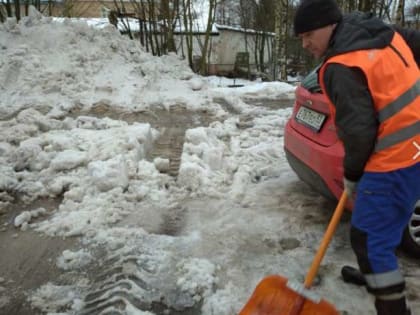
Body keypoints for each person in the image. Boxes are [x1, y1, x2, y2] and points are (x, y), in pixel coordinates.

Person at [293, 1, 420, 315]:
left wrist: (351, 173)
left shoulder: (341, 65)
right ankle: (377, 271)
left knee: (368, 241)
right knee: (382, 222)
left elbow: (358, 132)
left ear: (329, 25)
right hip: (413, 150)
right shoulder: (378, 31)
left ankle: (392, 307)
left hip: (391, 162)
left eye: (309, 34)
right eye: (300, 37)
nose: (305, 43)